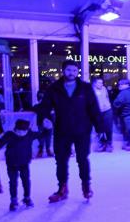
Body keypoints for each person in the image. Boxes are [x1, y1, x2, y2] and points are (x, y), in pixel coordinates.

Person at [37, 60, 102, 203]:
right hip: (62, 130)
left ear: (77, 71)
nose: (71, 73)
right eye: (68, 70)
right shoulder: (54, 88)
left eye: (74, 70)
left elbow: (94, 108)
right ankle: (62, 189)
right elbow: (45, 106)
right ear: (63, 71)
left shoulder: (85, 88)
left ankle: (86, 186)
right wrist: (44, 118)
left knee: (82, 159)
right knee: (61, 160)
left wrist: (100, 127)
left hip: (82, 130)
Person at [0, 119, 36, 211]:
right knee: (15, 181)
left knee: (22, 180)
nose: (21, 133)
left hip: (22, 162)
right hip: (13, 163)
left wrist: (48, 128)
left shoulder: (25, 134)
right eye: (19, 130)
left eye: (23, 130)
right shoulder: (11, 135)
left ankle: (25, 198)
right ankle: (16, 200)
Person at [112, 79, 130, 151]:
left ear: (127, 85)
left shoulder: (124, 93)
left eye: (122, 84)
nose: (119, 86)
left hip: (128, 114)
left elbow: (116, 103)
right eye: (119, 84)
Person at [91, 77, 114, 152]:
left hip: (107, 110)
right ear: (94, 83)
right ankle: (102, 143)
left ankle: (109, 144)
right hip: (97, 112)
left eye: (102, 82)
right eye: (99, 83)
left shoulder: (104, 89)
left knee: (108, 127)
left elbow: (107, 98)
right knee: (99, 129)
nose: (101, 84)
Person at [34, 90, 54, 158]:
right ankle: (41, 150)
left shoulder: (49, 105)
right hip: (41, 123)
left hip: (48, 123)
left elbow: (53, 111)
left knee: (47, 137)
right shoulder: (38, 106)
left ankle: (46, 150)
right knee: (42, 137)